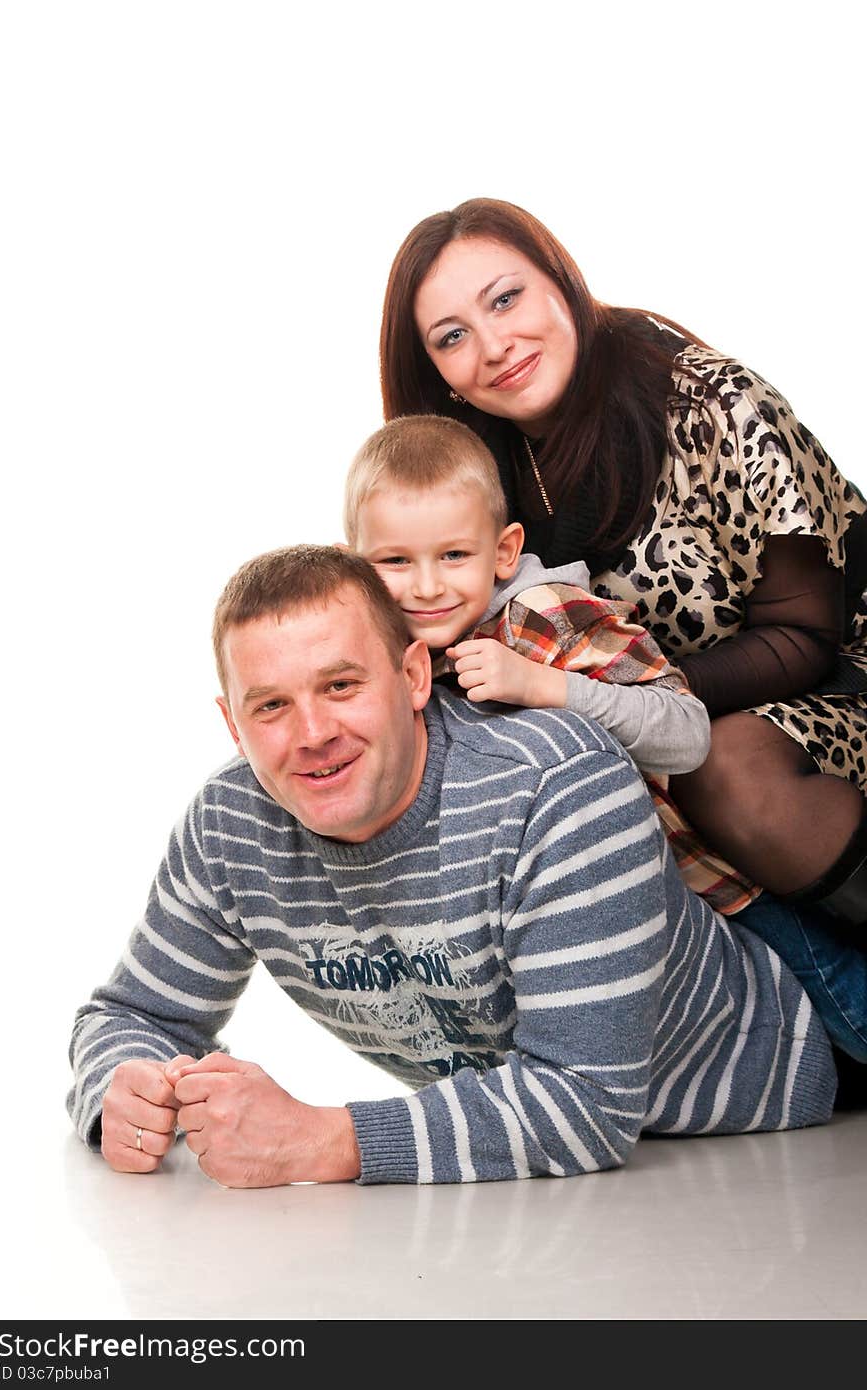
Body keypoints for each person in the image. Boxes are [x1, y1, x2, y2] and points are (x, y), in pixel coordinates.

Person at [67, 545, 838, 1188]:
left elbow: (589, 1104)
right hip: (556, 1210)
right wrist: (122, 1087)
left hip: (787, 1112)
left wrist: (324, 1140)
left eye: (341, 685)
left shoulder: (558, 784)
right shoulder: (229, 824)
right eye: (271, 706)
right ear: (233, 724)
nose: (312, 733)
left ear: (411, 677)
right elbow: (131, 1015)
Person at [378, 197, 867, 934]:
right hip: (652, 721)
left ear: (560, 280)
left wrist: (625, 698)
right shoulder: (471, 475)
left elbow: (805, 637)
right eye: (453, 336)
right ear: (438, 370)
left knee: (725, 771)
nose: (495, 344)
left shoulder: (712, 400)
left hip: (834, 678)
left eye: (505, 299)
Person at [344, 412, 758, 914]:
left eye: (454, 555)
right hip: (545, 906)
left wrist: (543, 685)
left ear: (503, 552)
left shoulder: (541, 613)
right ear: (354, 566)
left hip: (700, 895)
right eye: (395, 561)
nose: (427, 587)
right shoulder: (388, 649)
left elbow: (688, 733)